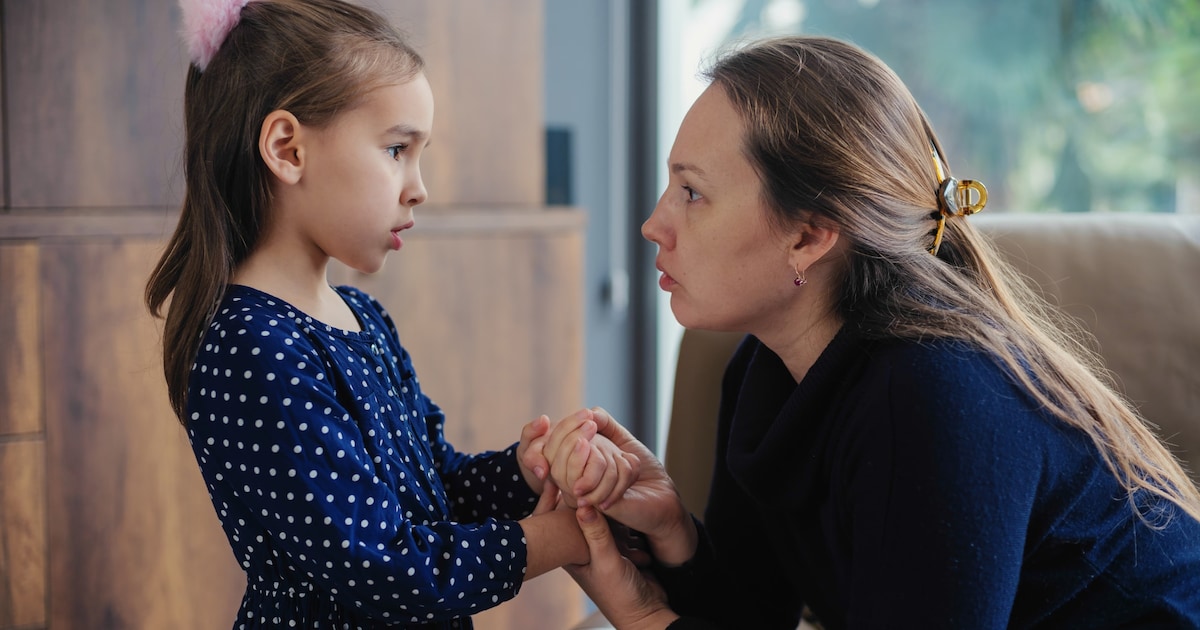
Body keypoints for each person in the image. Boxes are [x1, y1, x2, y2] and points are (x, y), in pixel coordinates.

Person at [537, 35, 1200, 629]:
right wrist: (673, 532)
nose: (654, 224)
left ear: (809, 236)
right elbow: (753, 611)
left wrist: (644, 617)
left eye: (692, 193)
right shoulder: (765, 369)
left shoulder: (936, 394)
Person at [143, 1, 637, 628]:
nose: (418, 187)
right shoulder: (251, 348)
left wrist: (524, 470)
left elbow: (432, 493)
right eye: (397, 149)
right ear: (287, 149)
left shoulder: (362, 317)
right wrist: (559, 538)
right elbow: (382, 566)